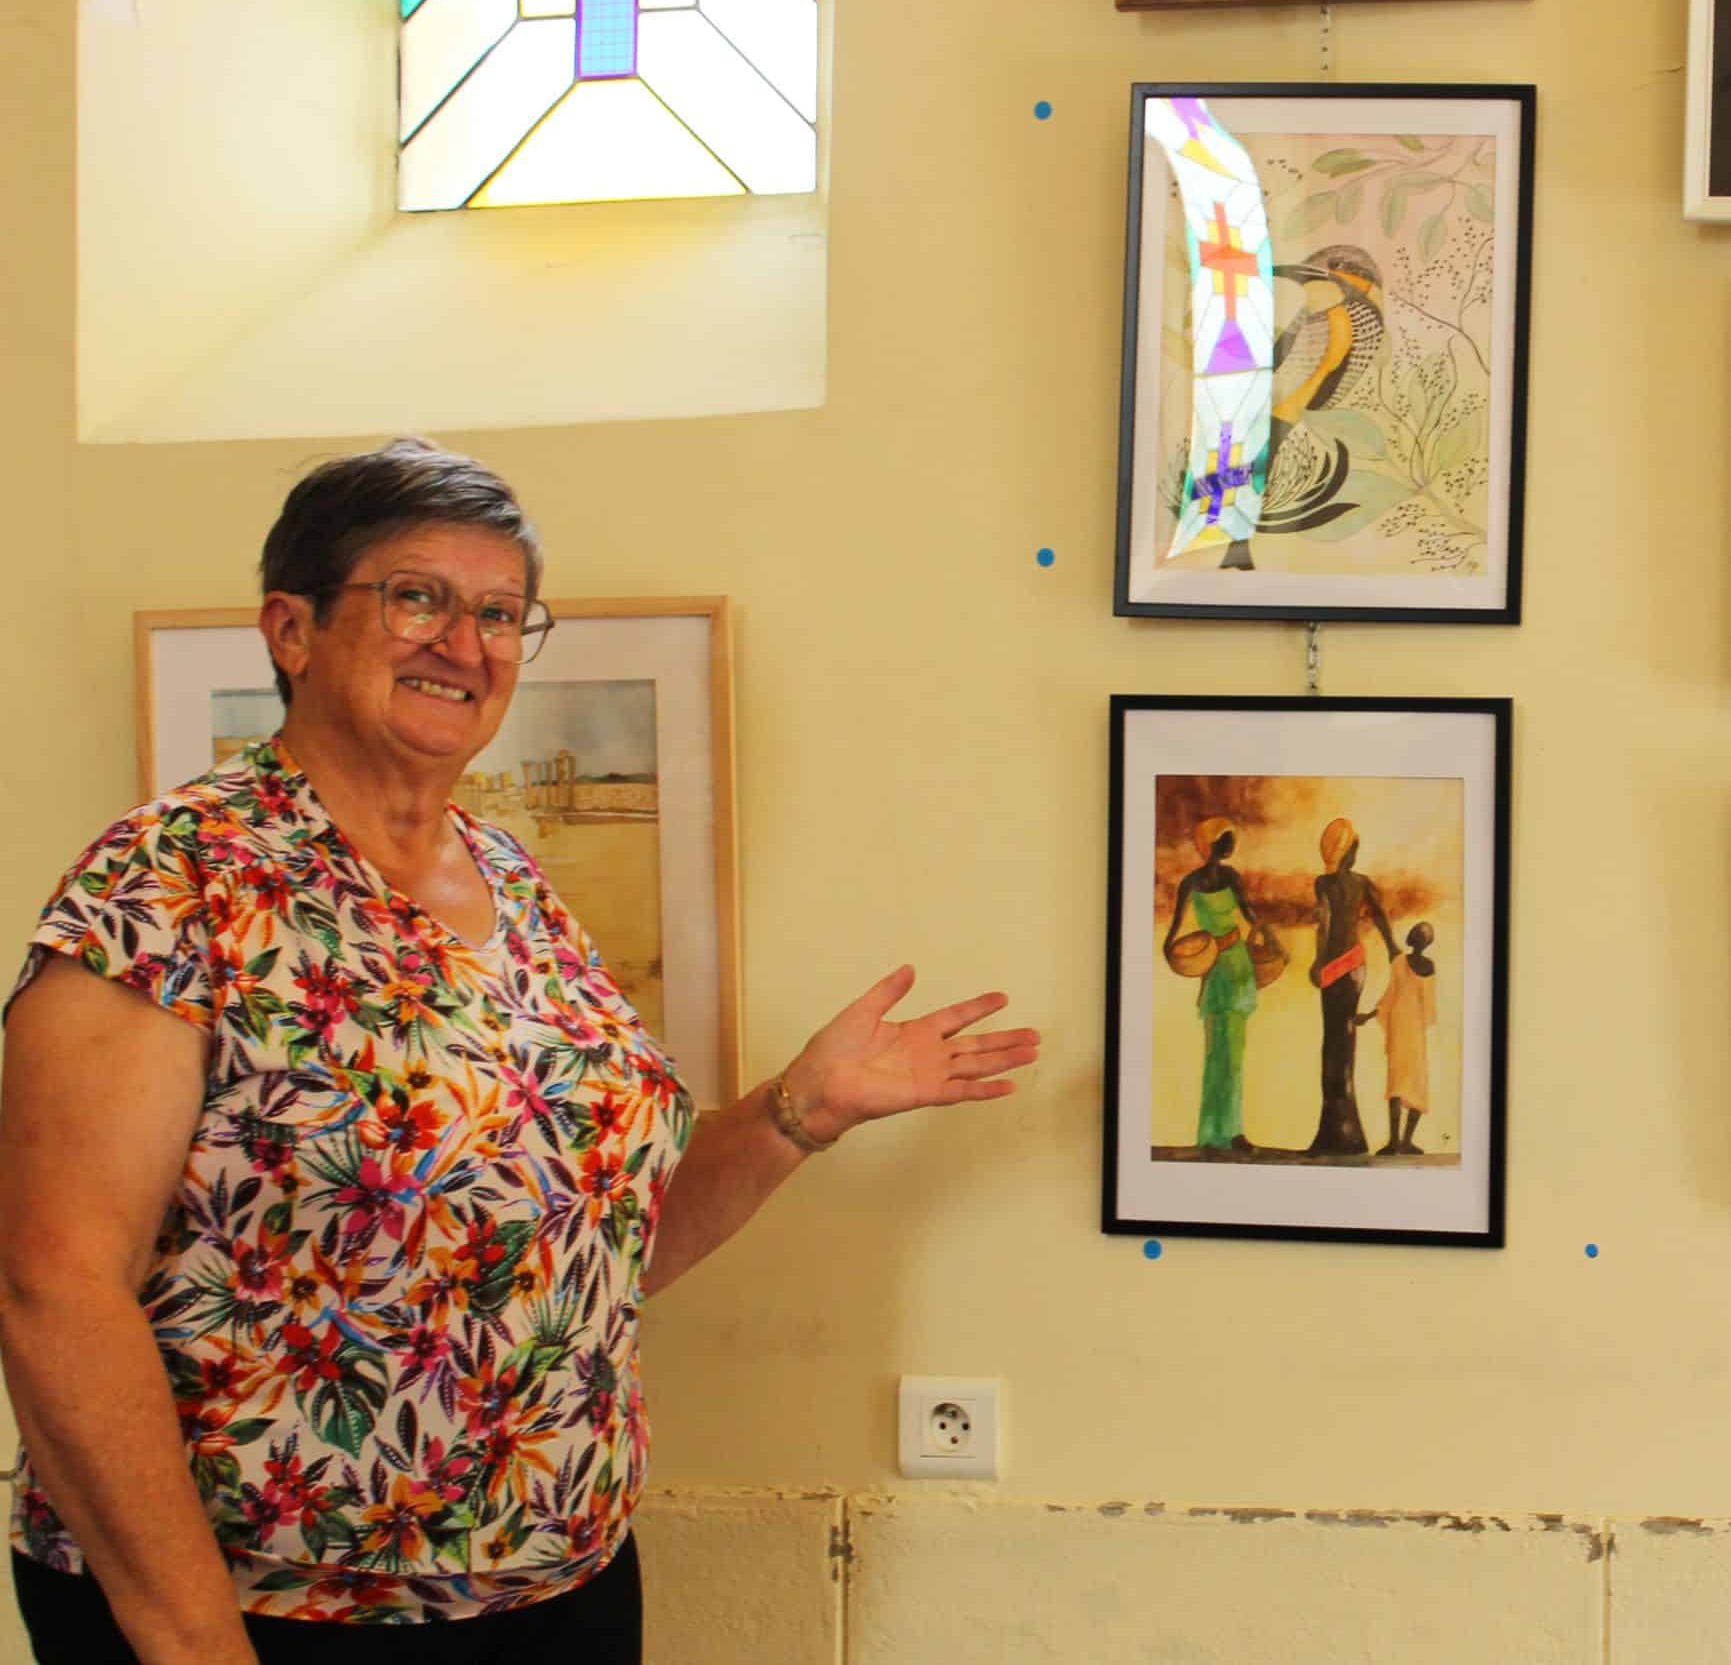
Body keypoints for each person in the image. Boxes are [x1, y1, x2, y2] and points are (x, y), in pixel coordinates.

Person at [0, 440, 1039, 1664]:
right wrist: (193, 1642)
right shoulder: (174, 877)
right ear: (291, 628)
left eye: (500, 613)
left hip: (558, 1582)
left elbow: (588, 1245)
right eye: (416, 597)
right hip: (273, 1611)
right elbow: (53, 1286)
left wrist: (793, 1112)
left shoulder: (507, 877)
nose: (467, 642)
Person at [1162, 818, 1265, 1155]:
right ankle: (1226, 1134)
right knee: (1230, 1056)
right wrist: (1270, 939)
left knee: (1218, 1054)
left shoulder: (1192, 881)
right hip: (1229, 963)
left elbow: (1173, 933)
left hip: (1220, 965)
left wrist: (1173, 952)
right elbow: (1251, 917)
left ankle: (1218, 1134)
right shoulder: (1229, 877)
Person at [1304, 818, 1393, 1158]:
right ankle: (1344, 1133)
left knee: (1334, 1045)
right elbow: (1379, 916)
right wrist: (1392, 947)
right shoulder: (1359, 883)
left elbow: (1324, 926)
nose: (1356, 853)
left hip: (1334, 967)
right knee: (1342, 1044)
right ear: (1346, 851)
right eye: (1354, 847)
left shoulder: (1324, 883)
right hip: (1352, 965)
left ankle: (1340, 1133)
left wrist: (1317, 963)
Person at [1360, 922, 1438, 1156]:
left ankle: (1397, 1143)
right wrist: (1368, 1016)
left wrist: (1368, 1016)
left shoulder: (1400, 962)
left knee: (1398, 1083)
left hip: (1400, 1028)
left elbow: (1389, 998)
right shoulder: (1427, 966)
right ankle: (1403, 1142)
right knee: (1415, 1084)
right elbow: (1428, 1006)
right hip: (1413, 1030)